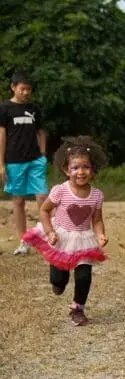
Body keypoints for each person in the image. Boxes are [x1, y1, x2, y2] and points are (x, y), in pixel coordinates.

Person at [22, 136, 108, 326]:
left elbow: (97, 219)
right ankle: (58, 283)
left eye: (86, 167)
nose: (81, 172)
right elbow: (44, 210)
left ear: (93, 169)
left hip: (83, 239)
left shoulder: (97, 195)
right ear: (66, 170)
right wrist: (50, 232)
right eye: (75, 167)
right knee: (59, 278)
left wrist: (100, 234)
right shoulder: (60, 190)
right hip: (60, 237)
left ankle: (77, 309)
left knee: (84, 276)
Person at [0, 72, 48, 255]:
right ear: (13, 87)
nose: (26, 92)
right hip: (14, 161)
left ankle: (47, 235)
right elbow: (1, 136)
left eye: (29, 89)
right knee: (18, 201)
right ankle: (24, 241)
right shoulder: (4, 109)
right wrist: (1, 164)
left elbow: (41, 132)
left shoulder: (34, 109)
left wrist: (43, 154)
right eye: (23, 89)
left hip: (35, 160)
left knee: (42, 197)